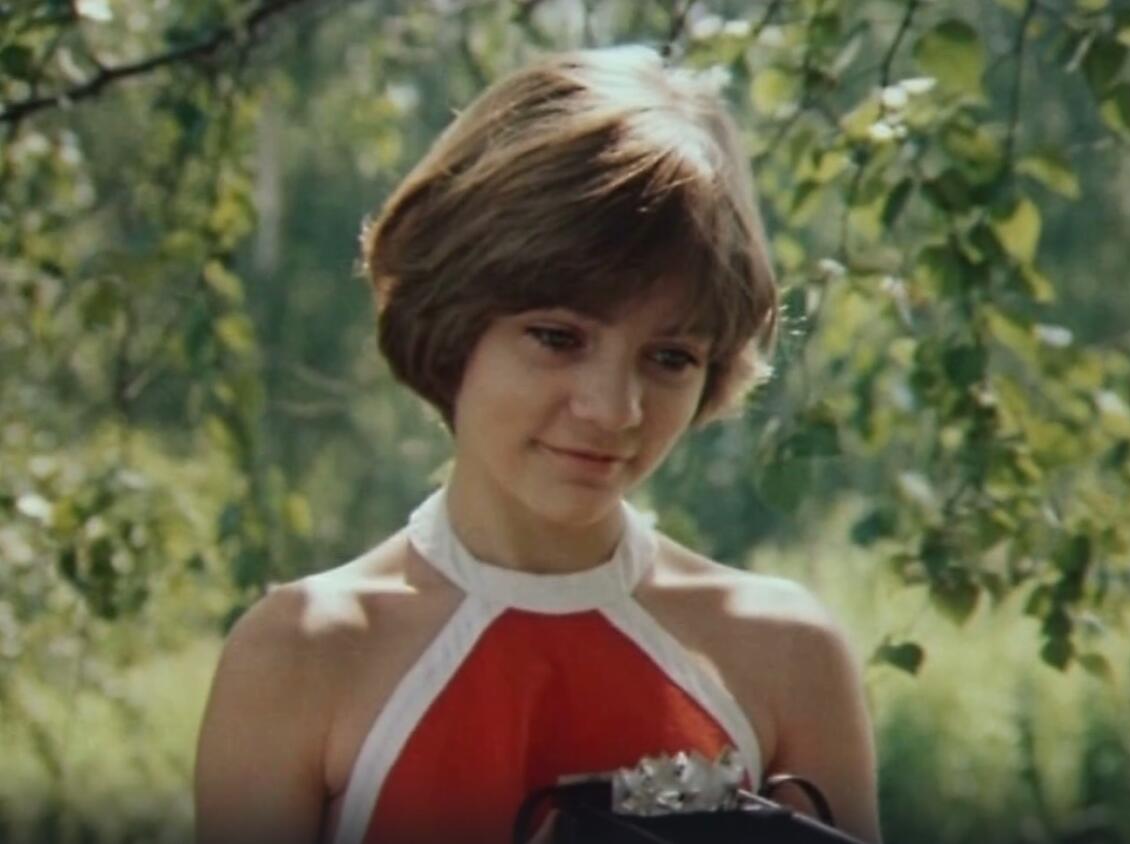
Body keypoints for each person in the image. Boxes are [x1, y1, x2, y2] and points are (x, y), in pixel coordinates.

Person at [194, 44, 881, 844]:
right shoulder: (302, 654)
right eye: (557, 337)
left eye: (669, 358)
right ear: (453, 326)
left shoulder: (786, 655)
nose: (614, 409)